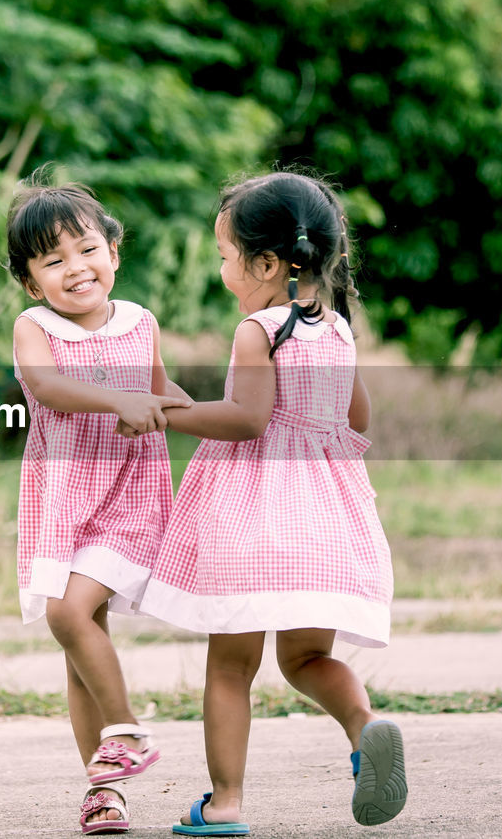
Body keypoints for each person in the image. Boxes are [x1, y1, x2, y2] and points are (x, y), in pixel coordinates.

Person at [135, 171, 406, 835]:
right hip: (325, 518)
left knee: (231, 665)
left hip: (254, 517)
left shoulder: (259, 330)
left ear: (266, 263)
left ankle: (224, 804)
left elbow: (248, 419)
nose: (222, 269)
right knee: (306, 658)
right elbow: (358, 416)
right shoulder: (337, 331)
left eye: (225, 256)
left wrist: (174, 414)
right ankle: (365, 725)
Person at [8, 176, 190, 835]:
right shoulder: (35, 326)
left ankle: (127, 732)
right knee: (79, 641)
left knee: (68, 613)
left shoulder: (141, 321)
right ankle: (105, 789)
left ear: (113, 249)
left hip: (129, 497)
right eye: (52, 261)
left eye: (85, 249)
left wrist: (211, 418)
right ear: (32, 283)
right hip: (65, 500)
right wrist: (119, 401)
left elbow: (158, 386)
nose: (74, 268)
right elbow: (49, 386)